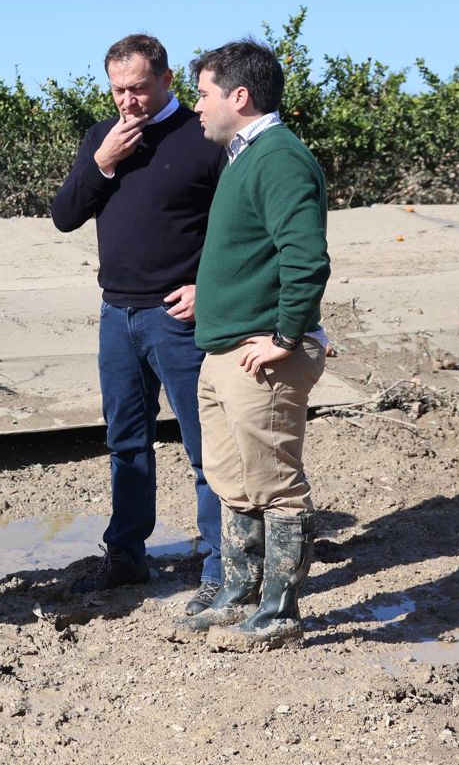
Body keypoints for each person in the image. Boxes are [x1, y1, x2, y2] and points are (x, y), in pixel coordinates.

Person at [50, 34, 227, 610]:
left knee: (206, 449)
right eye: (118, 90)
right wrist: (101, 165)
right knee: (127, 441)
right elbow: (64, 216)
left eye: (140, 89)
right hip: (116, 314)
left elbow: (239, 229)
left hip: (178, 319)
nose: (129, 101)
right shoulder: (102, 137)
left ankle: (218, 567)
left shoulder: (205, 137)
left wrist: (210, 289)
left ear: (168, 81)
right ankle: (127, 557)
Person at [176, 40, 331, 651]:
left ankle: (280, 610)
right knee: (232, 478)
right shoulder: (246, 156)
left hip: (259, 354)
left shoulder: (279, 158)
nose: (197, 107)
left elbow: (305, 257)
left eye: (204, 94)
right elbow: (255, 253)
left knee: (275, 481)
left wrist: (287, 337)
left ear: (239, 97)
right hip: (224, 348)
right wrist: (208, 294)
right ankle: (238, 595)